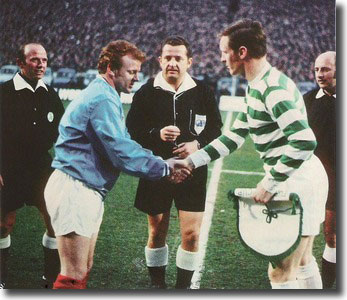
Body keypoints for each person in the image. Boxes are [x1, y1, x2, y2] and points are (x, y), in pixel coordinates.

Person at [176, 19, 329, 289]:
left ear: (242, 52)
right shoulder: (259, 84)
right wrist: (191, 161)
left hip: (297, 180)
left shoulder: (271, 89)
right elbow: (234, 137)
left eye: (225, 51)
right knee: (303, 263)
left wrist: (270, 183)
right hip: (303, 177)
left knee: (281, 273)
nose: (222, 58)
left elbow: (305, 140)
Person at [44, 40, 190, 289]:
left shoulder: (106, 95)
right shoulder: (102, 98)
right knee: (73, 275)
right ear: (111, 69)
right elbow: (120, 151)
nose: (136, 78)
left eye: (137, 72)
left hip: (85, 189)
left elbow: (122, 144)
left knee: (82, 270)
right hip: (74, 189)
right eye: (131, 72)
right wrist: (164, 166)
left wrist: (159, 162)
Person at [126, 36, 222, 289]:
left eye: (178, 58)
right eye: (167, 57)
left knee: (191, 235)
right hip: (157, 170)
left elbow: (216, 129)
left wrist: (197, 145)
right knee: (157, 232)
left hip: (192, 172)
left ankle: (181, 290)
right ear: (159, 60)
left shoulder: (203, 91)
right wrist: (156, 134)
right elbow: (132, 131)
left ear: (189, 62)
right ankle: (158, 287)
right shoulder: (147, 92)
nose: (172, 62)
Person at [0, 43, 64, 288]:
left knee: (53, 222)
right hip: (9, 167)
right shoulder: (5, 92)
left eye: (45, 60)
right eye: (35, 60)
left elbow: (63, 133)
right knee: (4, 225)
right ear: (20, 62)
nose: (41, 65)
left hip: (42, 168)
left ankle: (51, 278)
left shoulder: (50, 93)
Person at [303, 51, 336, 289]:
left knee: (331, 235)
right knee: (302, 235)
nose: (319, 74)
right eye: (316, 70)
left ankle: (326, 288)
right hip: (309, 177)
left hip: (337, 178)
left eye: (325, 69)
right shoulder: (307, 100)